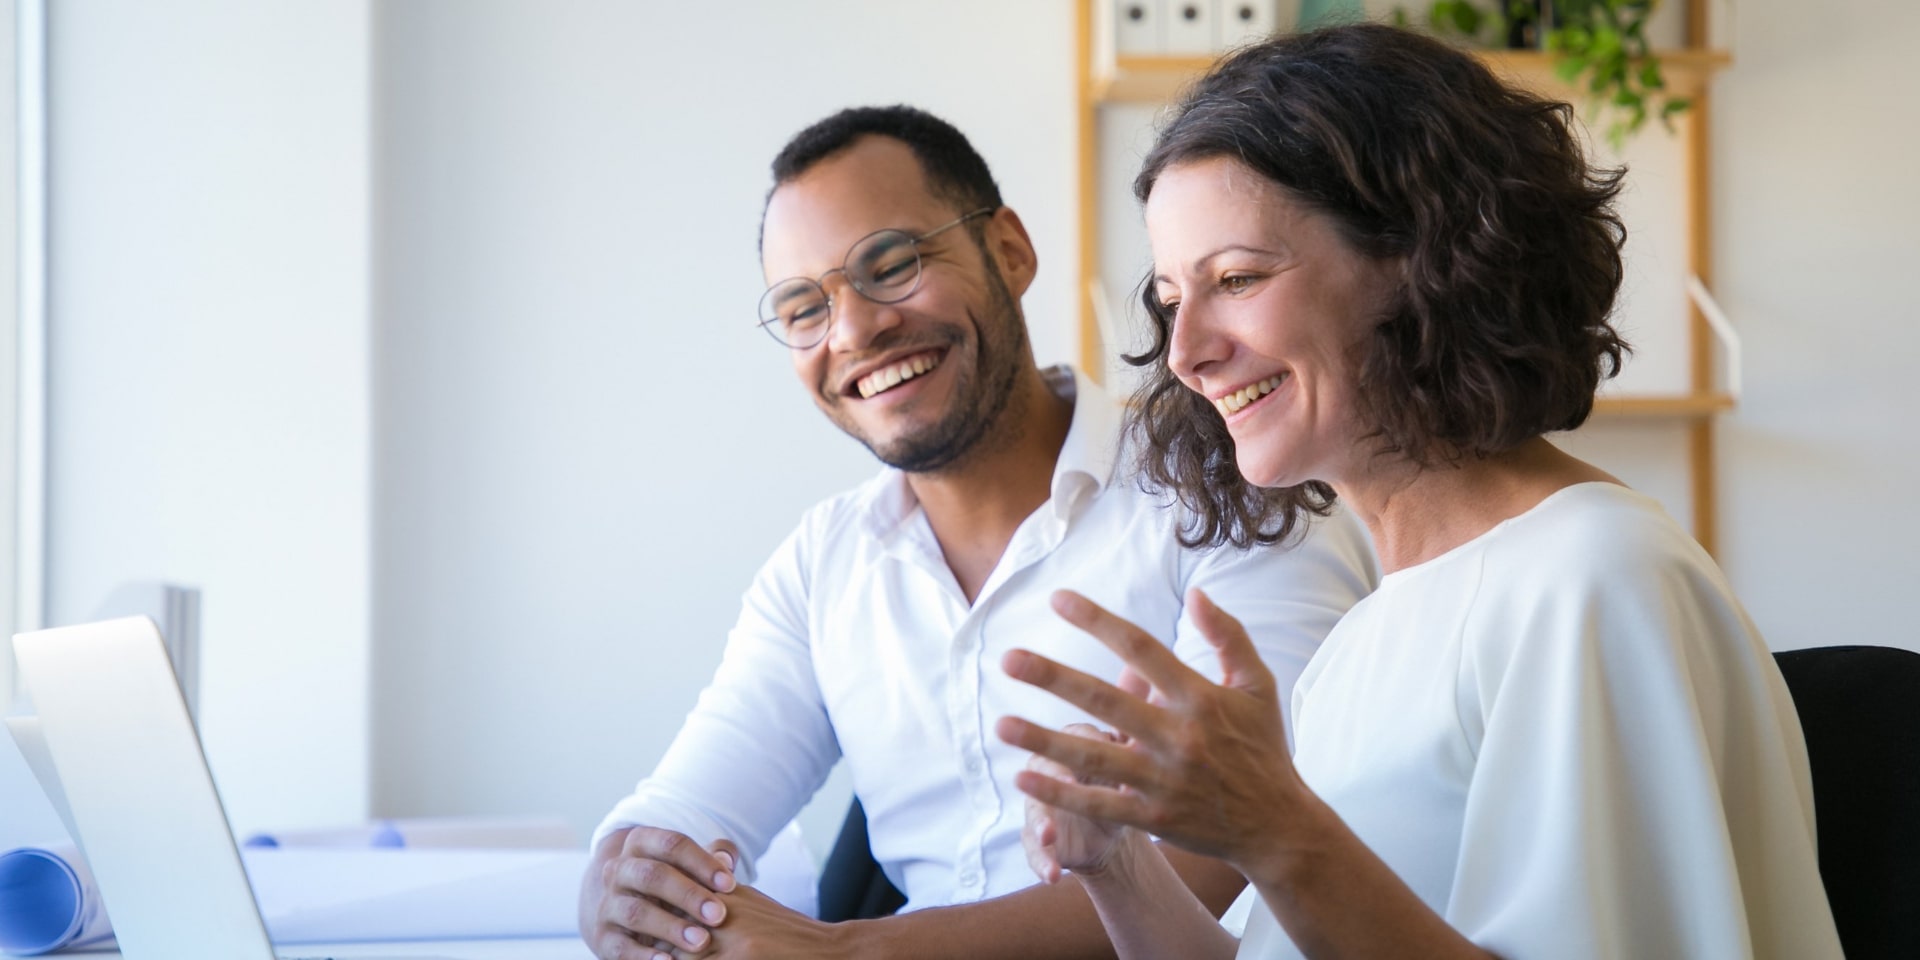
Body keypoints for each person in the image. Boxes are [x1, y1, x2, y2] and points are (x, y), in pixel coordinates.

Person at [995, 24, 1844, 960]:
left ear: (1423, 259)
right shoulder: (1367, 634)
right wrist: (1113, 861)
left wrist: (1277, 831)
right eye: (1168, 298)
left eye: (1236, 278)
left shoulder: (1595, 578)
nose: (1186, 352)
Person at [577, 105, 1378, 960]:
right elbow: (673, 821)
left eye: (891, 264)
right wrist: (624, 886)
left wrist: (855, 953)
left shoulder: (1231, 486)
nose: (853, 330)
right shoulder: (823, 565)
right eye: (804, 308)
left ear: (1009, 251)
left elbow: (1242, 844)